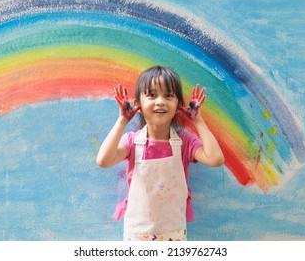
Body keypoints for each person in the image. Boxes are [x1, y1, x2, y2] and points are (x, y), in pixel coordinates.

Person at [96, 66, 224, 241]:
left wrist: (198, 121)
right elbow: (104, 161)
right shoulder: (132, 141)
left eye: (168, 96)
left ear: (178, 105)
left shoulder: (184, 142)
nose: (160, 101)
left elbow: (216, 159)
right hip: (137, 233)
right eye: (152, 95)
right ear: (138, 105)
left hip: (174, 233)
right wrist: (122, 120)